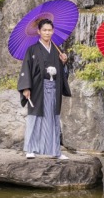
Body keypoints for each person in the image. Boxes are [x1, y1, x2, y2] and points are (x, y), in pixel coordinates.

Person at [17, 18, 71, 160]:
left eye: (49, 30)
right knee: (35, 117)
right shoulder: (32, 50)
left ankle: (55, 150)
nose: (47, 32)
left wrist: (64, 63)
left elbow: (63, 73)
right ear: (39, 32)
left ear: (53, 31)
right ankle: (31, 149)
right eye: (44, 30)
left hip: (54, 88)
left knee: (53, 118)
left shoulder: (57, 51)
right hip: (37, 88)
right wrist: (26, 88)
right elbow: (26, 69)